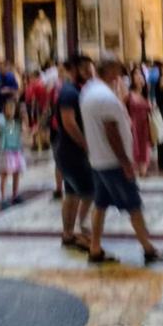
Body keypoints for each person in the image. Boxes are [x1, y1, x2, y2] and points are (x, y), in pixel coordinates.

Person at [80, 57, 163, 267]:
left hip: (98, 160)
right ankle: (149, 249)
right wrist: (125, 163)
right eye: (118, 71)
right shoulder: (106, 98)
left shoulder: (89, 90)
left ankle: (95, 248)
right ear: (111, 72)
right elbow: (111, 132)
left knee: (100, 204)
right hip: (113, 163)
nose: (121, 75)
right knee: (133, 205)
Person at [53, 56, 94, 250]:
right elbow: (69, 122)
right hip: (72, 151)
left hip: (67, 151)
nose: (89, 72)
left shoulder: (74, 89)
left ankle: (68, 234)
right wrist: (85, 144)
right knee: (90, 191)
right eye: (85, 68)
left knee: (71, 194)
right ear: (75, 69)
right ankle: (83, 232)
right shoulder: (69, 92)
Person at [0, 91, 26, 206]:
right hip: (6, 150)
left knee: (16, 173)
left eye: (12, 108)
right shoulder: (2, 119)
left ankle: (15, 194)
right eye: (8, 108)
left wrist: (24, 116)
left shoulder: (17, 121)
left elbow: (25, 130)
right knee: (4, 173)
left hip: (16, 150)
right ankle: (3, 198)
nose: (10, 110)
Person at [126, 65, 152, 178]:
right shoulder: (128, 94)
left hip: (145, 126)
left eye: (140, 74)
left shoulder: (146, 94)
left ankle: (143, 173)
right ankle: (134, 174)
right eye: (136, 74)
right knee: (134, 150)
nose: (138, 76)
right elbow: (121, 108)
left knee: (145, 151)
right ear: (132, 78)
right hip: (134, 126)